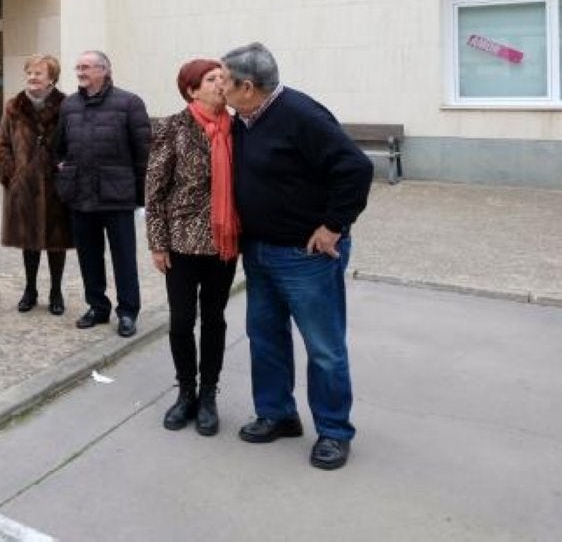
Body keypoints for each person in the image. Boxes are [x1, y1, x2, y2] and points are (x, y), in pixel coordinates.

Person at [222, 42, 372, 471]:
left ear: (247, 86)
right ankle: (277, 414)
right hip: (260, 251)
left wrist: (333, 226)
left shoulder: (301, 115)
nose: (220, 86)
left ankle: (333, 432)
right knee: (265, 337)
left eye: (225, 79)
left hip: (304, 257)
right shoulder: (244, 120)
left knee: (323, 347)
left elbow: (356, 168)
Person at [145, 59, 241, 436]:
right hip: (182, 243)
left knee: (214, 319)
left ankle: (208, 394)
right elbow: (154, 192)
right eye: (211, 79)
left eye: (223, 77)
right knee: (183, 321)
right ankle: (185, 392)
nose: (221, 84)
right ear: (192, 90)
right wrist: (157, 242)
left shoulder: (239, 127)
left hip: (224, 242)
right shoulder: (172, 127)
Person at [53, 50, 152, 338]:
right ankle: (97, 307)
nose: (80, 71)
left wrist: (141, 197)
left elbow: (144, 153)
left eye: (86, 67)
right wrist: (62, 169)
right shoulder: (69, 105)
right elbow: (58, 147)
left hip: (117, 195)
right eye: (78, 67)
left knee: (124, 257)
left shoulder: (129, 103)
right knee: (89, 256)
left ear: (104, 70)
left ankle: (128, 312)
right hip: (80, 195)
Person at [0, 54, 72, 316]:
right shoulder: (14, 106)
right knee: (28, 241)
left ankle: (56, 291)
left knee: (57, 242)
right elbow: (0, 144)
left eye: (38, 73)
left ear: (52, 78)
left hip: (56, 187)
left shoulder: (68, 106)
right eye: (29, 73)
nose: (32, 78)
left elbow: (76, 143)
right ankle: (30, 289)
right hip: (24, 186)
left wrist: (67, 172)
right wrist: (11, 175)